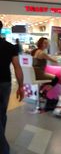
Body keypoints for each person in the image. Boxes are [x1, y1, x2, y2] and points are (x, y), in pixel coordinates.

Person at [0, 21, 24, 154]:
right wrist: (21, 87)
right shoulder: (10, 47)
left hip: (5, 84)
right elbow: (17, 67)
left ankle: (3, 148)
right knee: (2, 114)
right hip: (5, 84)